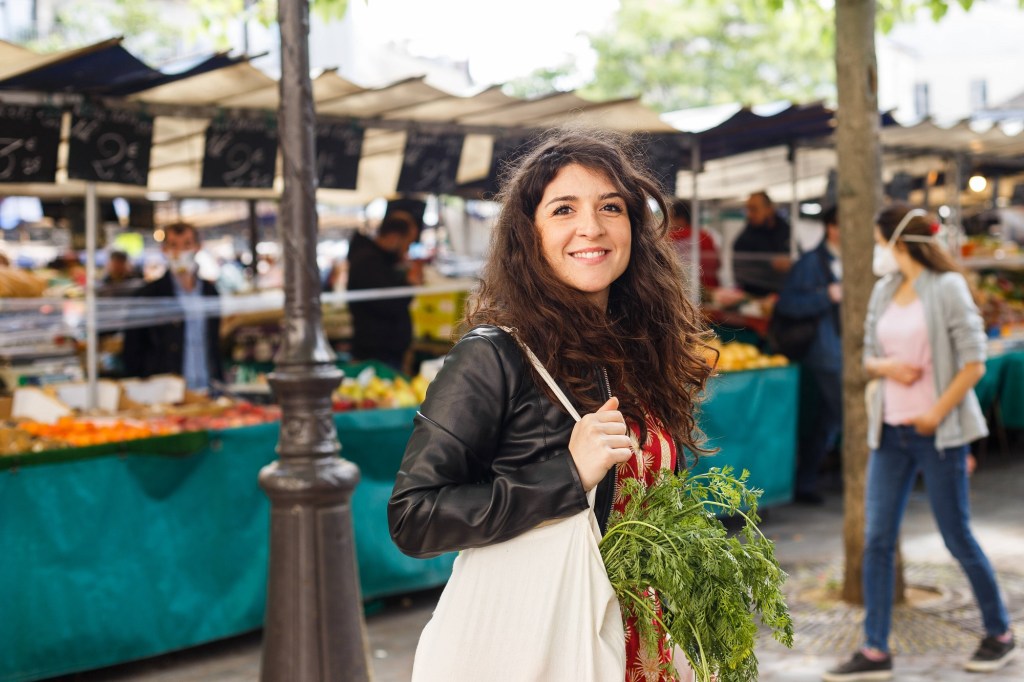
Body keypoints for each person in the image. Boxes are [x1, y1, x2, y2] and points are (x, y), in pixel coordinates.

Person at [388, 128, 715, 680]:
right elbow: (414, 517)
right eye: (564, 209)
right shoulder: (494, 354)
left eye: (610, 206)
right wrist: (566, 474)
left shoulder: (640, 350)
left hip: (643, 643)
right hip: (550, 643)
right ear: (530, 234)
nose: (592, 226)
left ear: (634, 226)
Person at [824, 205, 1016, 681]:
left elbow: (974, 363)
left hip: (940, 433)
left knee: (957, 536)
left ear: (898, 242)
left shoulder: (946, 288)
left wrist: (935, 413)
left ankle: (1000, 633)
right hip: (890, 431)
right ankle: (874, 650)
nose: (876, 251)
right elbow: (869, 356)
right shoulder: (885, 290)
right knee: (877, 540)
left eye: (878, 241)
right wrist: (889, 368)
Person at [773, 206, 842, 505]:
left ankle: (809, 480)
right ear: (832, 227)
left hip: (847, 350)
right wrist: (826, 296)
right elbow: (787, 305)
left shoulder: (858, 260)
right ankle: (814, 479)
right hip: (825, 353)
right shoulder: (811, 263)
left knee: (829, 419)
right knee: (842, 415)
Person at [122, 222, 223, 391]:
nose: (180, 252)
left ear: (198, 247)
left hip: (208, 388)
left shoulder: (209, 292)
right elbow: (132, 348)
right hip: (165, 392)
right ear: (164, 249)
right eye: (173, 245)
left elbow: (214, 342)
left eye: (187, 245)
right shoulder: (149, 295)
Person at [346, 211, 423, 372]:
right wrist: (408, 283)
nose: (407, 250)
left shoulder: (381, 260)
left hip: (386, 351)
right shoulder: (368, 262)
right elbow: (388, 304)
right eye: (407, 243)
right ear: (395, 237)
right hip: (376, 353)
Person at [731, 191, 793, 297]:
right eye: (748, 209)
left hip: (786, 295)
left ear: (769, 209)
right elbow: (741, 272)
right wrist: (771, 265)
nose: (749, 214)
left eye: (754, 209)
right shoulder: (744, 239)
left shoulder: (786, 230)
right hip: (756, 297)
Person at [668, 198, 720, 290]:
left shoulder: (669, 238)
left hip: (683, 291)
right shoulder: (706, 236)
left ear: (681, 219)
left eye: (671, 217)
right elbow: (718, 264)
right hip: (710, 289)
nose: (669, 222)